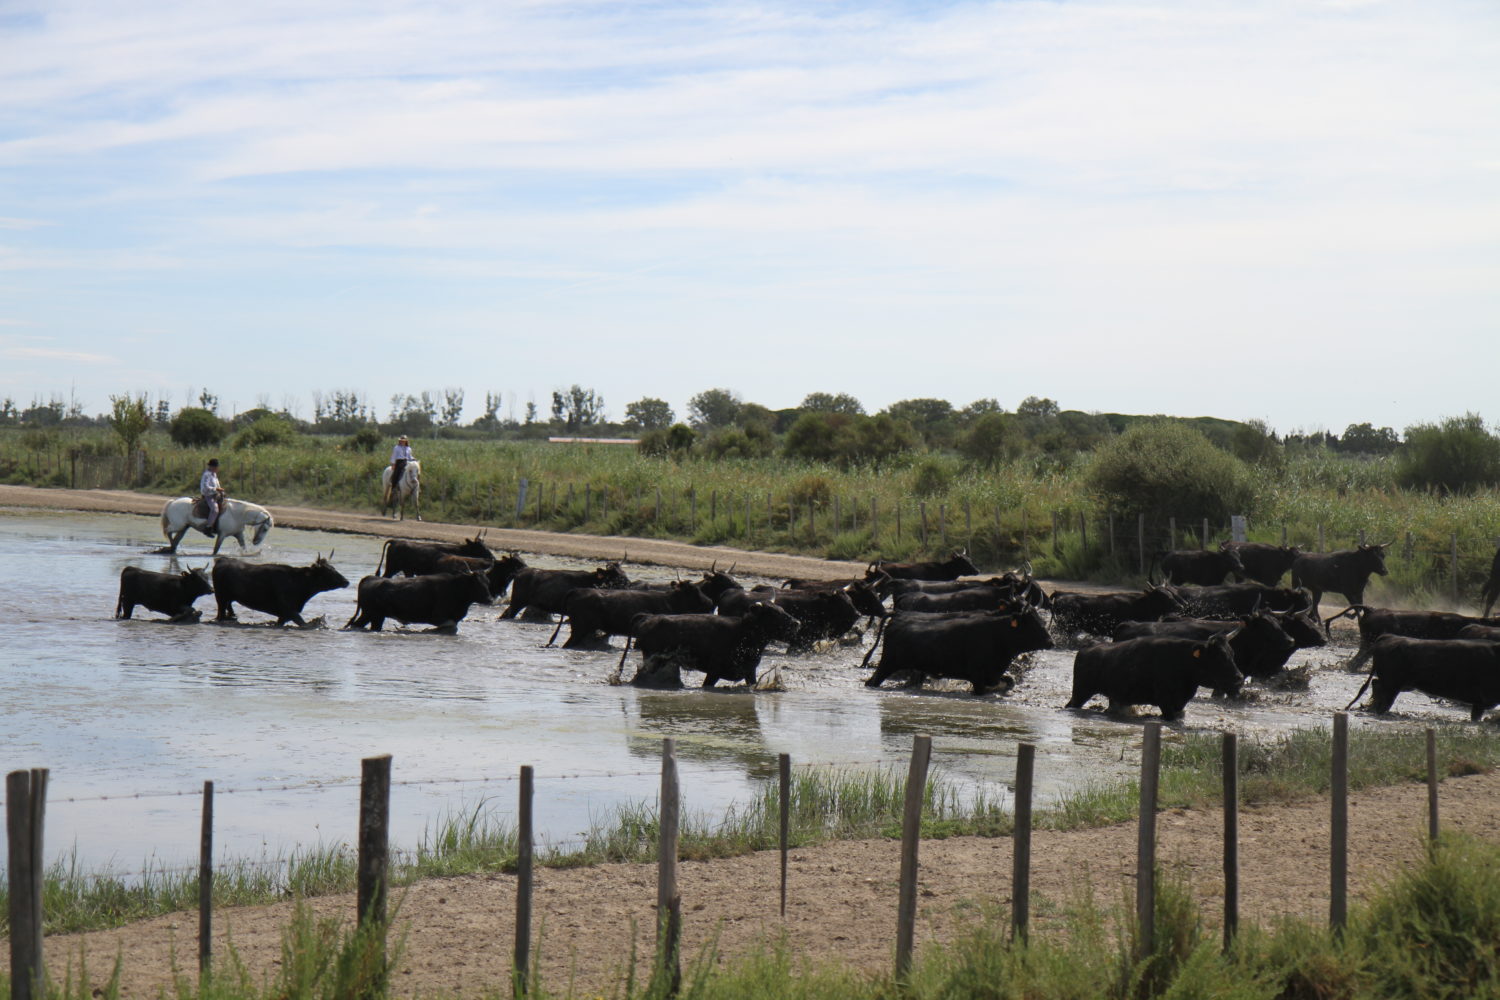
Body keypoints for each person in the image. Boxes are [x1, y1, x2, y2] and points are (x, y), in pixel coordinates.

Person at [200, 458, 224, 534]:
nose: (217, 468)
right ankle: (208, 527)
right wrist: (216, 489)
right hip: (208, 495)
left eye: (217, 467)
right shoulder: (206, 475)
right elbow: (205, 487)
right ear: (211, 467)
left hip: (216, 494)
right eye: (215, 467)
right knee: (215, 510)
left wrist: (221, 492)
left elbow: (217, 484)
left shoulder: (214, 475)